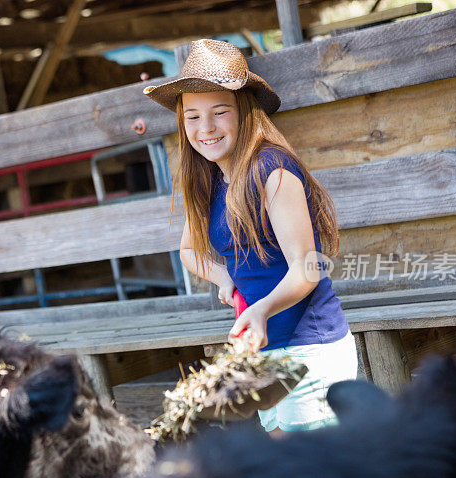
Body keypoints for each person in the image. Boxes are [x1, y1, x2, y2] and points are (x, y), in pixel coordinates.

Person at [143, 39, 357, 434]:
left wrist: (259, 309)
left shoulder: (271, 171)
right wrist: (225, 277)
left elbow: (307, 269)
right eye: (192, 116)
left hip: (308, 345)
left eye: (219, 112)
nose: (205, 128)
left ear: (243, 112)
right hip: (263, 354)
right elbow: (189, 251)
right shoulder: (207, 179)